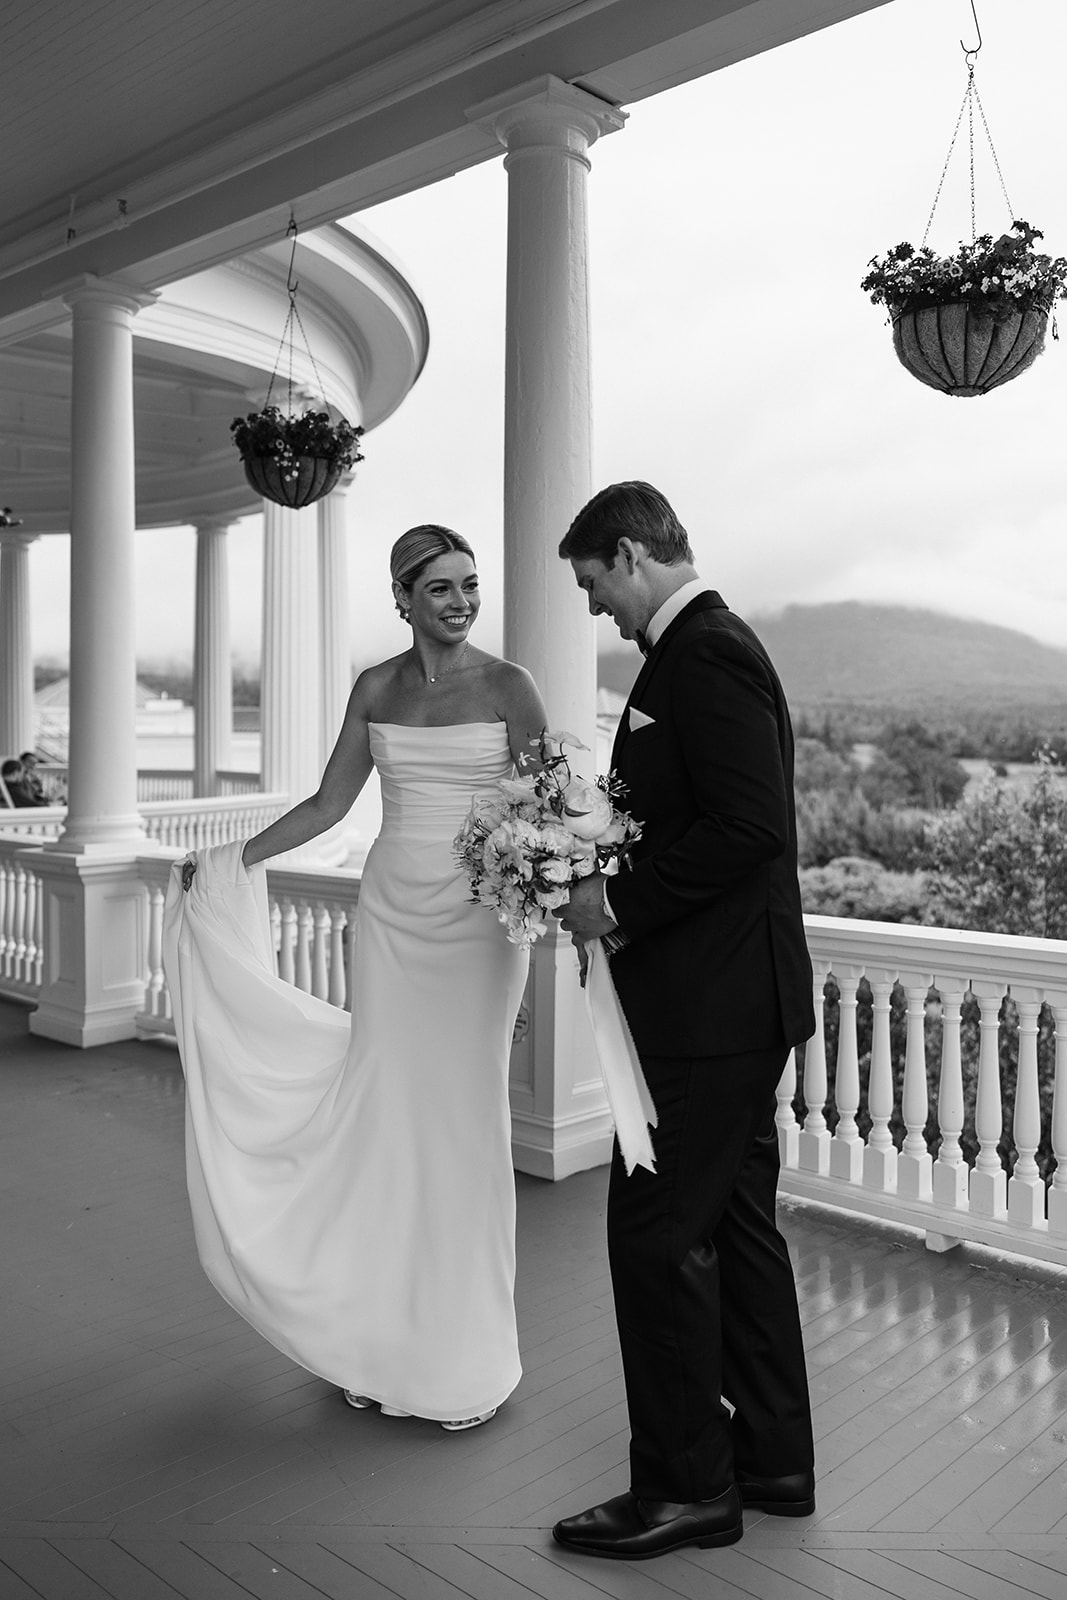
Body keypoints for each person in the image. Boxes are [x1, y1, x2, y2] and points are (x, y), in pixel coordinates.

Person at [164, 525, 547, 1430]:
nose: (461, 602)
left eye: (470, 585)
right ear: (403, 597)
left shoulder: (509, 686)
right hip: (391, 923)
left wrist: (532, 955)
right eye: (442, 588)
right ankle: (375, 1341)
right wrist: (229, 859)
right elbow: (331, 804)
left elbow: (544, 821)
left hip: (479, 930)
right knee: (387, 1122)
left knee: (460, 1131)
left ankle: (460, 1358)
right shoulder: (375, 686)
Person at [551, 482, 816, 1560]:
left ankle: (681, 1489)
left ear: (627, 554)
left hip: (711, 1010)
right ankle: (771, 1461)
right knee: (736, 1230)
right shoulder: (705, 647)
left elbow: (751, 828)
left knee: (655, 1235)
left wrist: (611, 900)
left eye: (591, 583)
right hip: (731, 1002)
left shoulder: (700, 652)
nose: (592, 608)